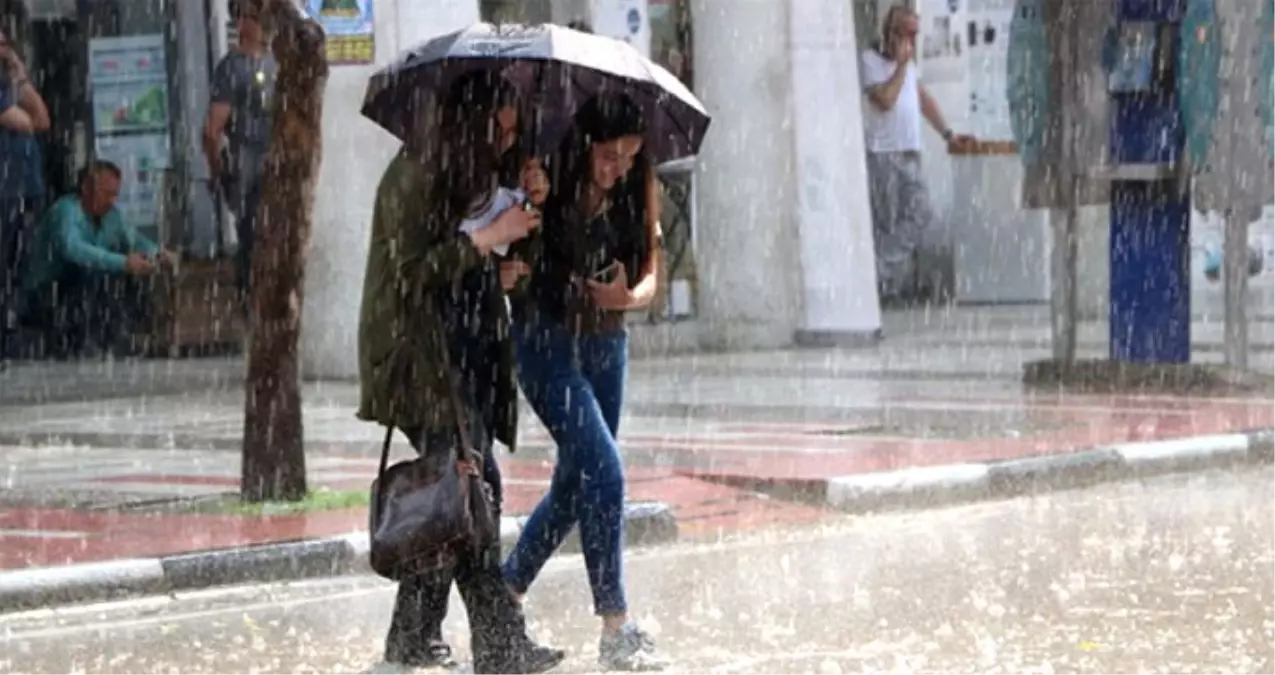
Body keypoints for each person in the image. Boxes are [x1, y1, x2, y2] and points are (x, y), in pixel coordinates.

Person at [356, 71, 563, 675]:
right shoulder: (413, 174)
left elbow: (497, 260)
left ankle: (421, 644)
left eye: (510, 133)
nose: (504, 144)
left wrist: (530, 211)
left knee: (466, 495)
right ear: (465, 124)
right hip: (421, 363)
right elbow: (410, 276)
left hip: (462, 358)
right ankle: (493, 647)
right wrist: (483, 241)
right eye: (494, 130)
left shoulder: (472, 177)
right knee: (469, 493)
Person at [501, 94, 665, 671]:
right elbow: (513, 250)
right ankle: (615, 625)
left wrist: (629, 298)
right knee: (606, 471)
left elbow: (652, 272)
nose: (617, 167)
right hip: (545, 341)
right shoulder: (549, 169)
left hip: (606, 341)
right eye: (610, 155)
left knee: (577, 486)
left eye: (628, 157)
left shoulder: (638, 178)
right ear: (588, 141)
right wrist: (535, 197)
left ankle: (505, 593)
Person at [860, 3, 971, 305]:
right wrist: (899, 66)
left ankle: (879, 270)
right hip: (883, 152)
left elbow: (921, 99)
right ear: (891, 33)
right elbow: (884, 100)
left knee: (920, 213)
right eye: (907, 34)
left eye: (915, 34)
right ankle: (883, 287)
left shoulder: (909, 66)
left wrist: (947, 133)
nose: (911, 41)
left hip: (910, 151)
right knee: (886, 222)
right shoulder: (871, 61)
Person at [21, 161, 176, 358]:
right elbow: (73, 250)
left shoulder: (112, 215)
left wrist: (157, 254)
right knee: (100, 275)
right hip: (50, 290)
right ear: (86, 188)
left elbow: (134, 239)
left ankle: (120, 338)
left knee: (131, 278)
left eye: (115, 194)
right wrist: (124, 263)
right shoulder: (66, 211)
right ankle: (83, 343)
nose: (112, 201)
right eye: (106, 193)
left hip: (84, 289)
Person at [204, 0, 276, 310]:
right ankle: (252, 311)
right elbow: (211, 130)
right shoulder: (232, 67)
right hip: (248, 168)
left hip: (279, 167)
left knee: (277, 242)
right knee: (253, 241)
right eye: (255, 15)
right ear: (241, 22)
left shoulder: (278, 63)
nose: (262, 22)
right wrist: (218, 170)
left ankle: (273, 311)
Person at [0, 28, 49, 366]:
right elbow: (25, 123)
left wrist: (20, 75)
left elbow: (42, 119)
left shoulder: (9, 87)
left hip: (22, 189)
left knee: (15, 265)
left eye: (5, 44)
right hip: (4, 190)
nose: (4, 50)